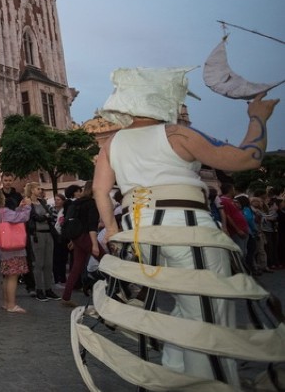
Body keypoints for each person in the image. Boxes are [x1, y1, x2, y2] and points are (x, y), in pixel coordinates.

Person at [92, 66, 279, 387]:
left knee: (184, 309)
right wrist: (257, 117)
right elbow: (246, 158)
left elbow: (100, 190)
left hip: (140, 235)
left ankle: (177, 378)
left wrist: (111, 228)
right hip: (186, 229)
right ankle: (210, 384)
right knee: (211, 315)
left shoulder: (111, 143)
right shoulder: (176, 134)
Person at [0, 188, 32, 313]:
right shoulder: (3, 211)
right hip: (13, 248)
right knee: (13, 276)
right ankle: (12, 305)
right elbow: (22, 218)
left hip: (3, 247)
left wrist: (19, 208)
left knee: (7, 276)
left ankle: (6, 303)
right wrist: (27, 206)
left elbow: (13, 217)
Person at [25, 182, 59, 301]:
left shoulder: (43, 202)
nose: (40, 190)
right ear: (32, 190)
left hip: (48, 233)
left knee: (49, 263)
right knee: (39, 263)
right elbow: (35, 217)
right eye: (38, 188)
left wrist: (45, 216)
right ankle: (39, 289)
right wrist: (45, 216)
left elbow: (51, 214)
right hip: (37, 234)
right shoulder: (28, 203)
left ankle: (48, 289)